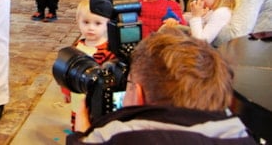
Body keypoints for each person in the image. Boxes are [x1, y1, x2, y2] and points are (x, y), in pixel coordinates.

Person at [68, 27, 256, 144]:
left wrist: (83, 136)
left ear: (138, 94)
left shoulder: (116, 137)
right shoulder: (242, 133)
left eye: (129, 84)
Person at [62, 0, 115, 132]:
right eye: (86, 22)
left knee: (96, 127)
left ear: (107, 24)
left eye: (97, 23)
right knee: (77, 126)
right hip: (77, 97)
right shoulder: (76, 48)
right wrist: (66, 91)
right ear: (78, 22)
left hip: (98, 102)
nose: (91, 27)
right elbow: (67, 72)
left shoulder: (109, 50)